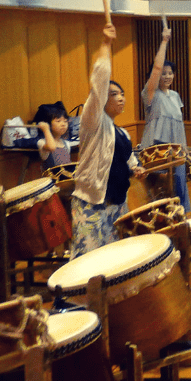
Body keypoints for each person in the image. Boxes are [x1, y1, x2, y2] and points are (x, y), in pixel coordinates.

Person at [70, 24, 145, 258]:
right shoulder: (93, 121)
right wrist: (105, 45)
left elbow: (127, 158)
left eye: (122, 94)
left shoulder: (122, 133)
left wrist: (136, 169)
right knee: (87, 264)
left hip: (117, 203)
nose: (120, 97)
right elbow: (99, 85)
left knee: (114, 262)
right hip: (91, 203)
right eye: (114, 94)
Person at [140, 24, 190, 211]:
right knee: (160, 195)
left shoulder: (176, 96)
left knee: (179, 189)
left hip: (176, 152)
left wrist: (185, 152)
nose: (167, 76)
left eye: (170, 73)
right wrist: (164, 41)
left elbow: (179, 128)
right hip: (157, 152)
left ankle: (182, 224)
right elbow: (156, 67)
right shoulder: (150, 94)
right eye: (163, 73)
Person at [33, 102, 72, 172]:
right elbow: (52, 147)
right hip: (51, 180)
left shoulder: (66, 144)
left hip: (65, 180)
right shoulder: (42, 142)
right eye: (58, 121)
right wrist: (46, 129)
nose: (63, 124)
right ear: (48, 124)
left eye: (65, 121)